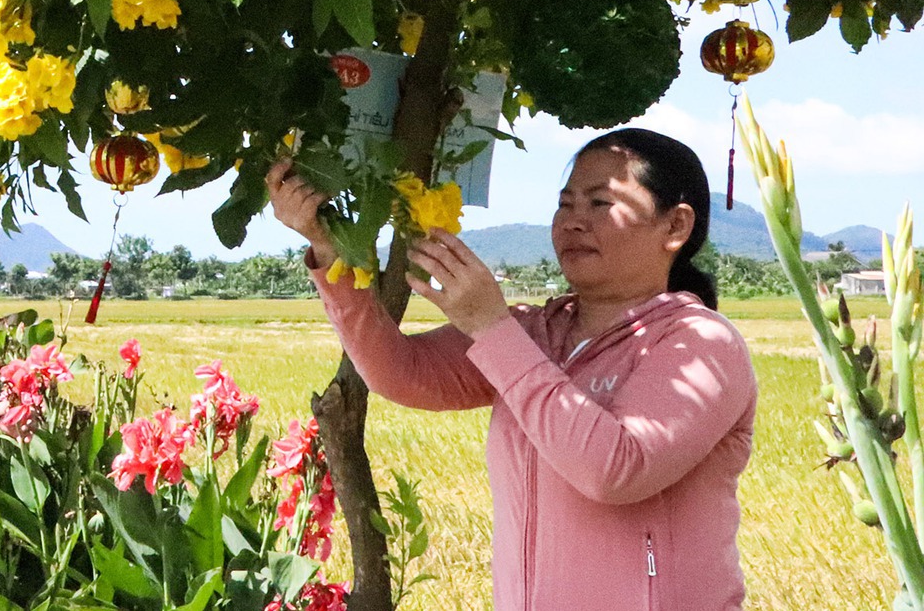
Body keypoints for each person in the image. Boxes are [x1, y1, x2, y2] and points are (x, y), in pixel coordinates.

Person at [267, 127, 756, 611]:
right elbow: (400, 371)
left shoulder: (701, 344)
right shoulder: (535, 332)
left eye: (600, 204)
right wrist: (331, 249)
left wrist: (490, 327)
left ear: (675, 226)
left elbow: (615, 470)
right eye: (565, 204)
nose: (573, 222)